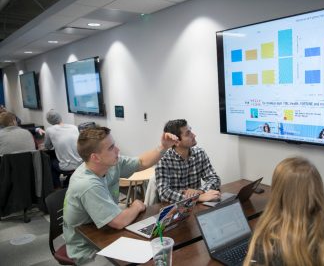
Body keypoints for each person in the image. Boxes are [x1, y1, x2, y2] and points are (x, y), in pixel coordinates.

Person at [63, 126, 178, 265]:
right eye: (111, 148)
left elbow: (141, 162)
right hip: (88, 250)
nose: (117, 150)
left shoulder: (110, 165)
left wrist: (163, 147)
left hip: (106, 233)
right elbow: (118, 222)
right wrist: (136, 206)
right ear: (95, 157)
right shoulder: (87, 184)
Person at [156, 119, 221, 203]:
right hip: (174, 209)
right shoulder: (163, 159)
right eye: (188, 134)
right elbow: (164, 193)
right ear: (176, 142)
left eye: (191, 131)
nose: (194, 135)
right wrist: (197, 198)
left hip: (196, 207)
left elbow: (214, 179)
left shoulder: (199, 153)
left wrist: (200, 192)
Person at [44, 109, 82, 188]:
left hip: (66, 167)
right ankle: (68, 180)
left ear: (49, 121)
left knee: (49, 163)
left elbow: (48, 146)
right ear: (60, 117)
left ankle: (57, 188)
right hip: (81, 164)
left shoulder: (49, 130)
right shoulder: (74, 127)